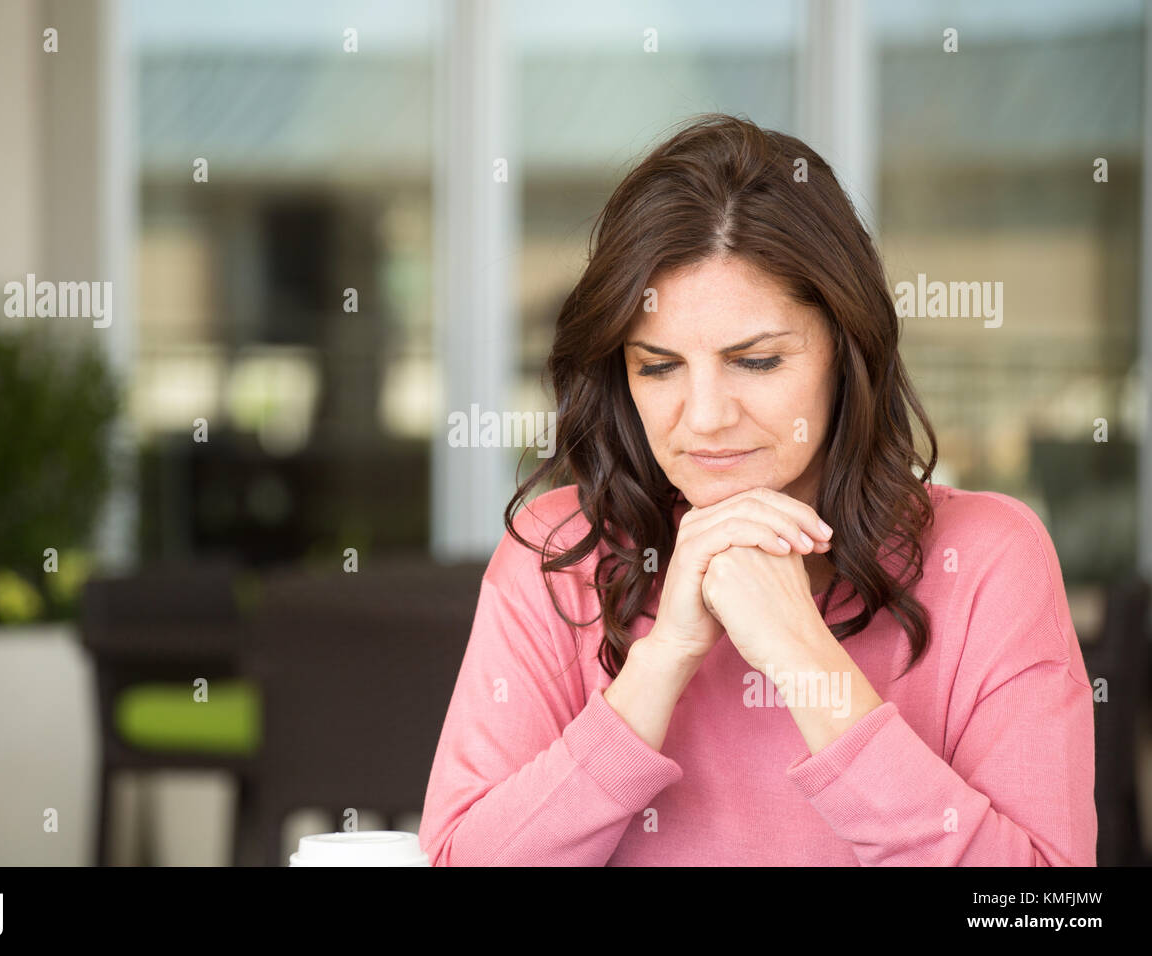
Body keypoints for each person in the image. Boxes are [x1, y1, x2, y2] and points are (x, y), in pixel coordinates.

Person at [417, 113, 1097, 866]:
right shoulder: (559, 556)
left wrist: (806, 661)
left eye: (757, 362)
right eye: (659, 366)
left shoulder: (989, 558)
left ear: (847, 349)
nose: (704, 417)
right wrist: (662, 661)